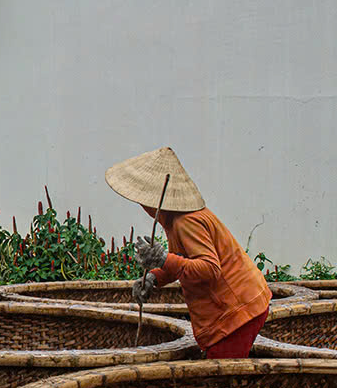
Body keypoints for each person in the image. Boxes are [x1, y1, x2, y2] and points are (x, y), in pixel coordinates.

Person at [105, 146, 272, 358]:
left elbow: (209, 269)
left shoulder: (186, 222)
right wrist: (153, 278)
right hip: (241, 305)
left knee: (221, 379)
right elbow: (183, 261)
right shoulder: (175, 221)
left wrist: (163, 258)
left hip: (237, 311)